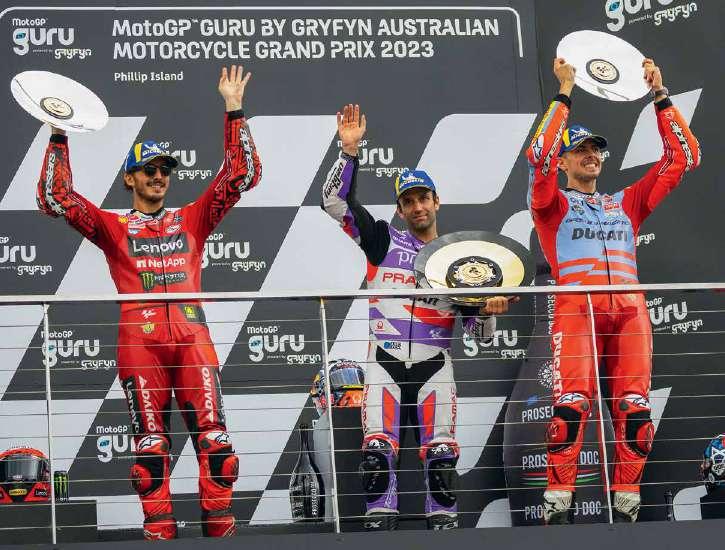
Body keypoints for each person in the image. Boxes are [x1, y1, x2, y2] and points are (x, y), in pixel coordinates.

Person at [36, 66, 262, 539]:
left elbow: (242, 175)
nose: (160, 177)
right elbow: (55, 198)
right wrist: (58, 133)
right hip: (139, 345)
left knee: (218, 448)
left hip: (193, 340)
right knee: (150, 452)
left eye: (165, 171)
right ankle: (159, 533)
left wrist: (234, 109)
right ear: (130, 179)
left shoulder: (193, 218)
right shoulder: (112, 227)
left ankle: (221, 531)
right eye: (150, 170)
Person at [526, 58, 700, 523]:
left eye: (596, 149)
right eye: (580, 149)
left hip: (629, 310)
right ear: (563, 161)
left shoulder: (626, 202)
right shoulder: (549, 203)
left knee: (636, 413)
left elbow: (684, 158)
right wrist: (565, 92)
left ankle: (627, 497)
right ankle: (558, 501)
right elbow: (537, 155)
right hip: (576, 307)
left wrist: (660, 96)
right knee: (571, 408)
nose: (591, 155)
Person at [321, 104, 510, 530]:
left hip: (434, 364)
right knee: (376, 454)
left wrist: (489, 310)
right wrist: (348, 152)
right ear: (400, 209)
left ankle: (443, 525)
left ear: (436, 201)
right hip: (383, 361)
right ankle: (380, 523)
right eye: (408, 201)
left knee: (442, 457)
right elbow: (333, 202)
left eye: (423, 198)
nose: (417, 206)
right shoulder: (382, 240)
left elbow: (479, 332)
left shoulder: (458, 261)